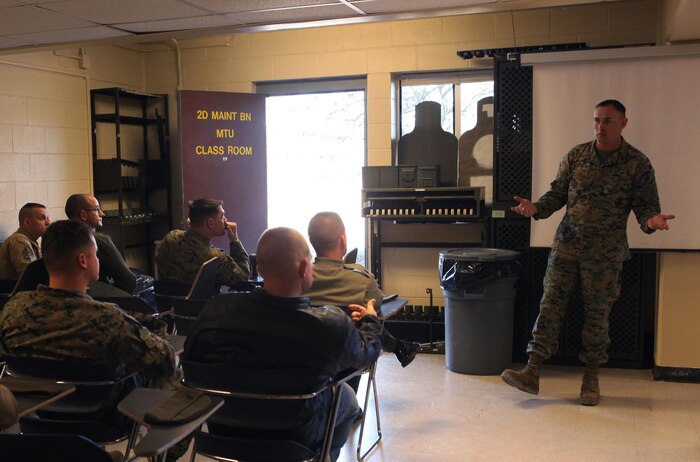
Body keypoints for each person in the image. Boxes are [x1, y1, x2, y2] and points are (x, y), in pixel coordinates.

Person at [501, 100, 675, 406]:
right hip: (567, 247)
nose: (600, 127)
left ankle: (590, 379)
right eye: (596, 120)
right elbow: (556, 194)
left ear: (623, 123)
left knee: (597, 317)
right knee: (549, 306)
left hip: (605, 255)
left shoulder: (638, 164)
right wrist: (536, 208)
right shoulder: (577, 156)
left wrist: (651, 220)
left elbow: (646, 207)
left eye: (607, 121)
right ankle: (532, 370)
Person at [184, 227, 383, 461]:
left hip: (225, 428)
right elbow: (368, 352)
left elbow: (191, 360)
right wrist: (370, 319)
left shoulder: (216, 309)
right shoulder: (328, 325)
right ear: (303, 268)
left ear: (259, 269)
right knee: (347, 398)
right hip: (296, 438)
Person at [0, 219, 175, 383]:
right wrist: (157, 329)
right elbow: (165, 364)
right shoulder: (110, 320)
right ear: (83, 260)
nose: (98, 260)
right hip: (107, 411)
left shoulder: (13, 309)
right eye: (96, 254)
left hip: (36, 410)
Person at [305, 211, 421, 368]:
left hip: (307, 359)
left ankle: (399, 347)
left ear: (311, 241)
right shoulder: (362, 279)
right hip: (351, 360)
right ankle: (399, 347)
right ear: (342, 239)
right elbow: (377, 310)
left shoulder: (298, 280)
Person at [156, 198, 250, 288]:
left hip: (168, 303)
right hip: (203, 304)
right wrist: (235, 241)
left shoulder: (170, 238)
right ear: (210, 223)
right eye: (222, 217)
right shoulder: (215, 259)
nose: (225, 220)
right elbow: (243, 279)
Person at [65, 194, 137, 294]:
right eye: (97, 209)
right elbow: (128, 280)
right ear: (83, 215)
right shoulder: (99, 241)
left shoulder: (58, 239)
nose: (102, 214)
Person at [0, 203, 50, 280]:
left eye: (48, 218)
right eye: (42, 218)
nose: (48, 223)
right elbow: (32, 276)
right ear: (27, 223)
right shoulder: (19, 241)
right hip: (13, 291)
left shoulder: (30, 241)